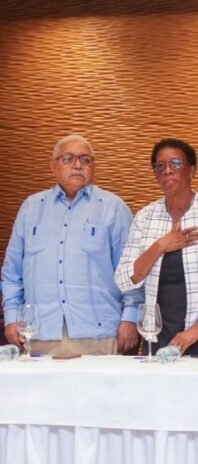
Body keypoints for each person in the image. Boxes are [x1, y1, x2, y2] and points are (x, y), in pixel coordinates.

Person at [2, 135, 142, 356]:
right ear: (53, 166)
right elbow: (12, 273)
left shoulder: (113, 208)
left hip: (99, 336)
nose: (78, 165)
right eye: (68, 159)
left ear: (93, 167)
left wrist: (131, 318)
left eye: (85, 160)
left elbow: (133, 271)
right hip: (39, 334)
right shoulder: (30, 209)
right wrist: (11, 317)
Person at [115, 139, 198, 356]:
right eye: (160, 166)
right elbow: (124, 279)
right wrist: (160, 245)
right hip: (158, 334)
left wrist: (196, 329)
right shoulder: (145, 217)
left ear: (192, 170)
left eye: (175, 163)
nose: (167, 170)